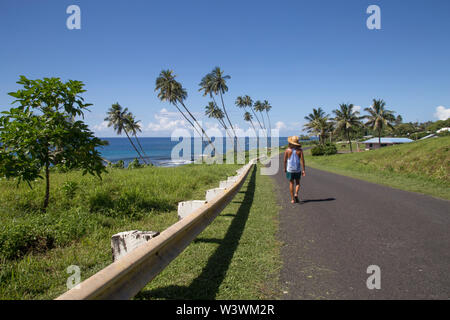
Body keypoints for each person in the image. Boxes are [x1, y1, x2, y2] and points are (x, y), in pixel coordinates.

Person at [284, 136, 306, 203]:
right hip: (297, 169)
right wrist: (303, 170)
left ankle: (292, 199)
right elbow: (302, 161)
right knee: (298, 183)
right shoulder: (300, 150)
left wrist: (284, 168)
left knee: (291, 183)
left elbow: (284, 161)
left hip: (290, 169)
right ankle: (296, 193)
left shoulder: (287, 150)